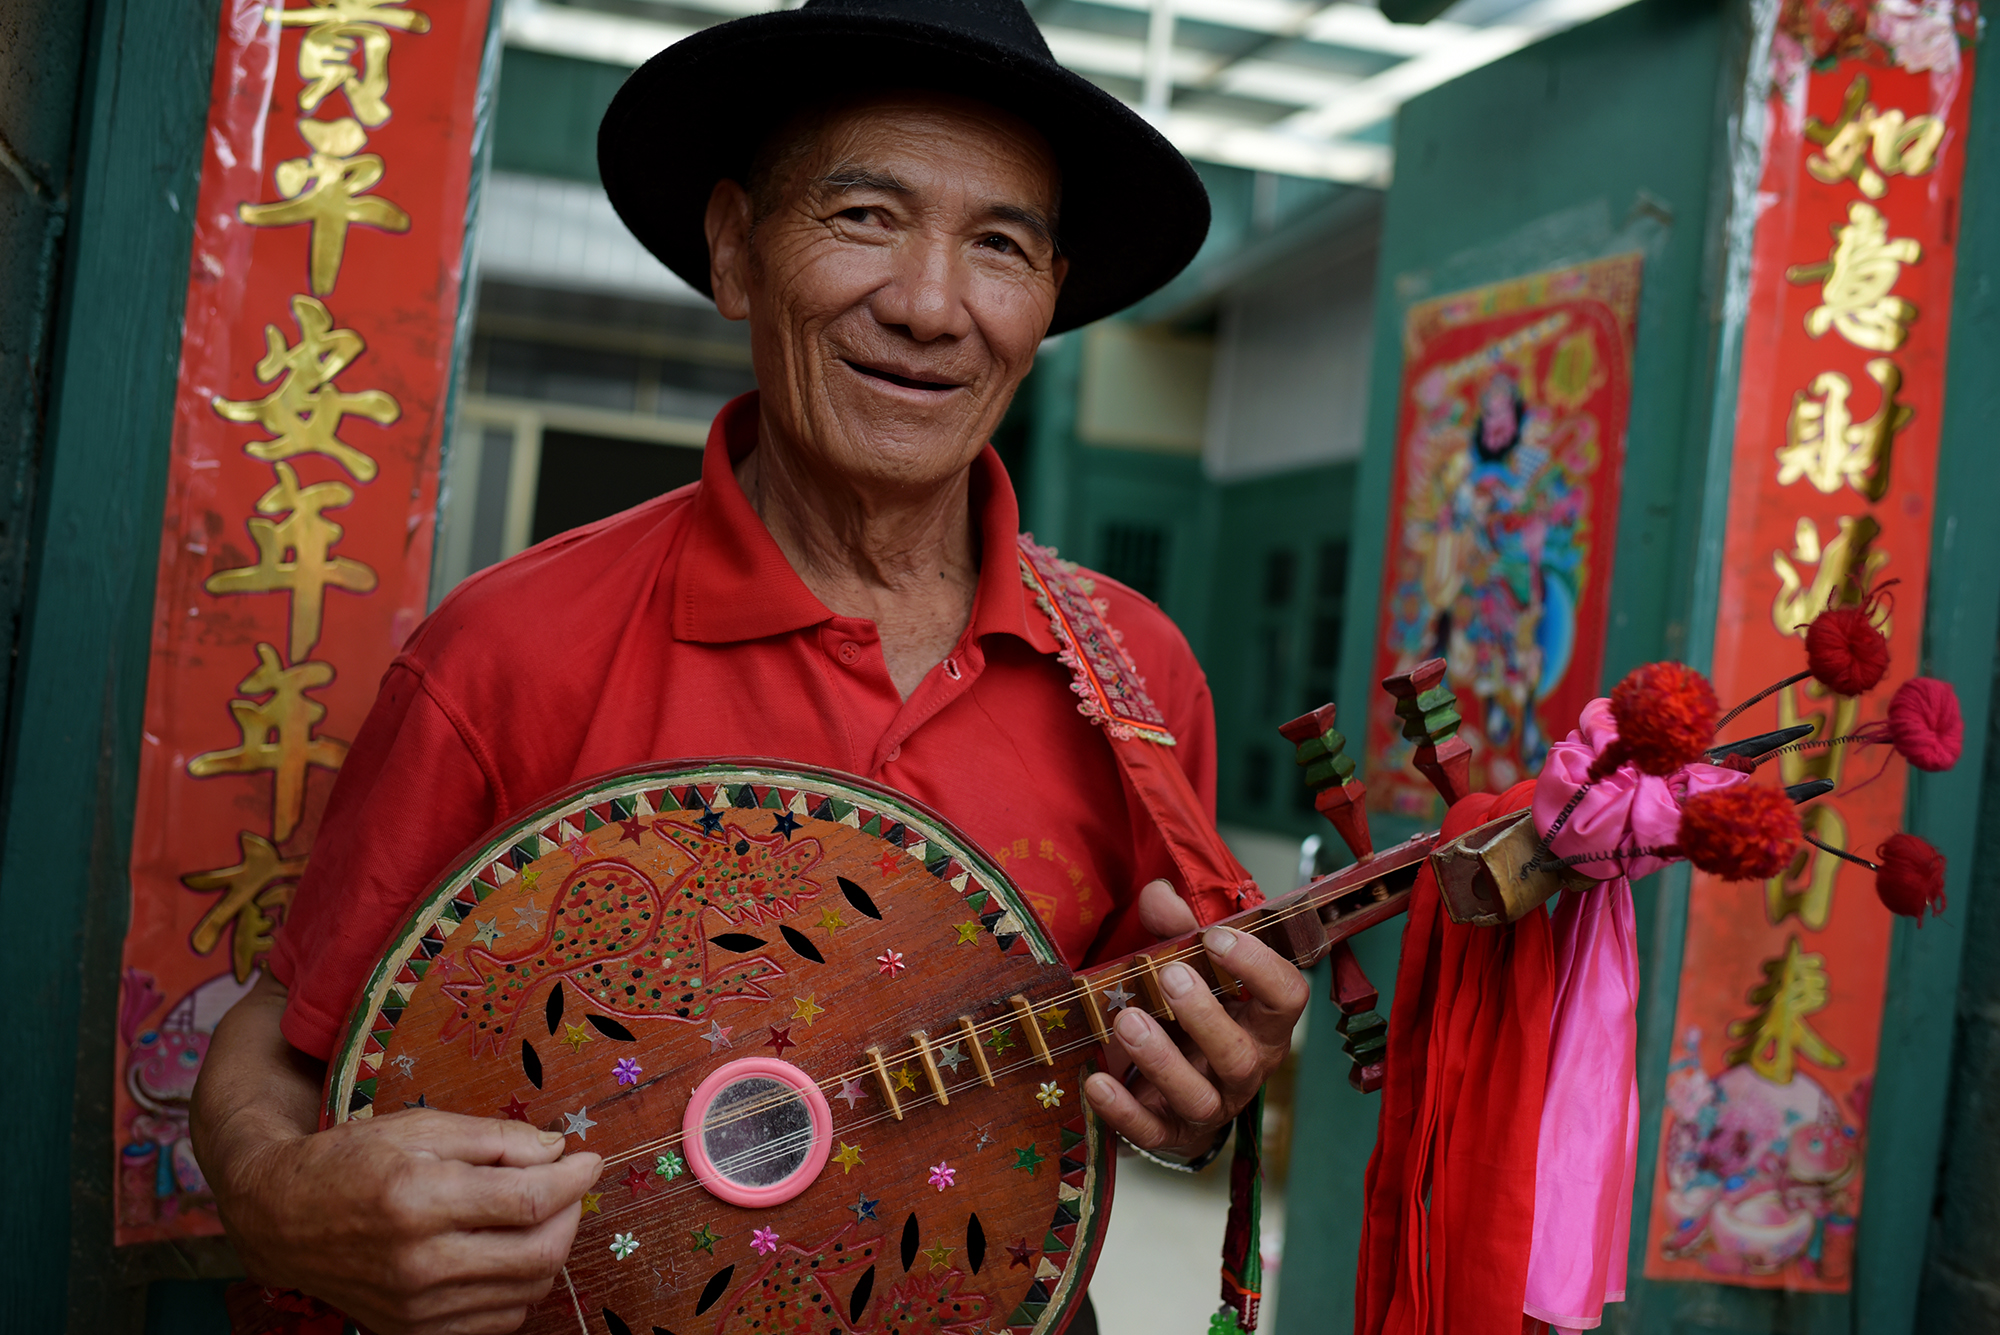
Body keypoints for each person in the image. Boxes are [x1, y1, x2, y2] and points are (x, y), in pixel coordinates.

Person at [191, 2, 1309, 1331]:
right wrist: (272, 1191)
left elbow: (1141, 1068)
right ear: (734, 249)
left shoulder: (1132, 675)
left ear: (1048, 298)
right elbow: (280, 1038)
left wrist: (1202, 1094)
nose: (930, 304)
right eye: (864, 217)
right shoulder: (508, 651)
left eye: (999, 244)